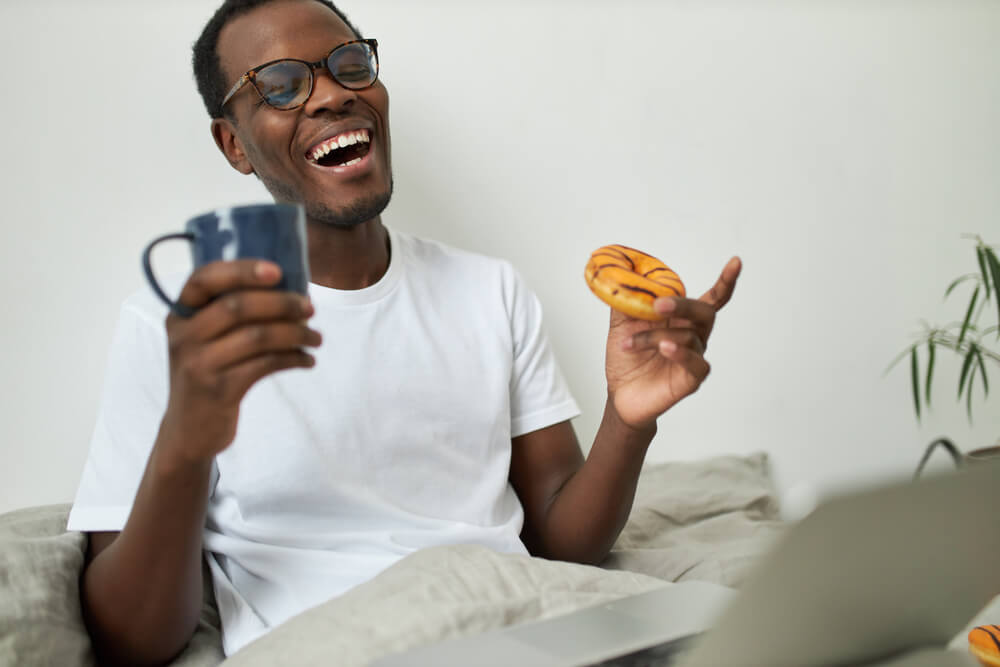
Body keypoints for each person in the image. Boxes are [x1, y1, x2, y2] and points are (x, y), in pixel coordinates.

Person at [67, 0, 742, 663]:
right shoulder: (176, 326)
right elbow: (133, 637)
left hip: (528, 625)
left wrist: (628, 420)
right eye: (279, 85)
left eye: (349, 64)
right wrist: (186, 442)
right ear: (234, 144)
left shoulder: (490, 290)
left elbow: (563, 543)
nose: (332, 94)